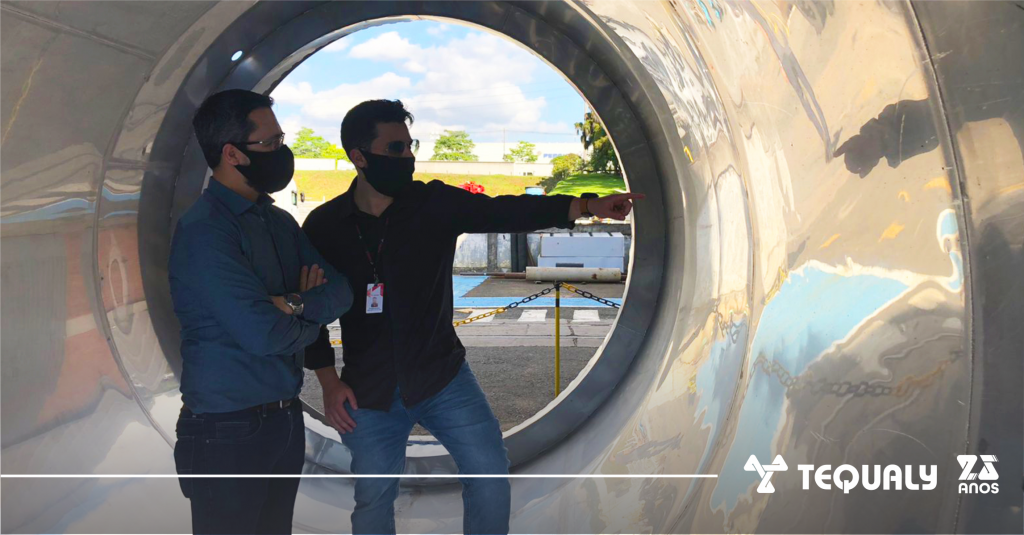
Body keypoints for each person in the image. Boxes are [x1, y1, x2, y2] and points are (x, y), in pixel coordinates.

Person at [301, 99, 642, 534]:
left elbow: (506, 210)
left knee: (489, 474)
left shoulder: (433, 204)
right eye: (395, 148)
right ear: (359, 156)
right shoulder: (325, 226)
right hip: (368, 389)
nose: (408, 157)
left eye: (410, 146)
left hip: (443, 376)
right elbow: (308, 309)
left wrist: (587, 205)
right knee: (373, 497)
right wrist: (328, 382)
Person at [168, 89, 354, 534]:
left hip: (284, 420)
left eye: (280, 140)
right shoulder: (206, 231)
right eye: (270, 143)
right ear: (232, 153)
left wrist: (292, 304)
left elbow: (341, 292)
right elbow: (264, 335)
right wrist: (307, 315)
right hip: (225, 432)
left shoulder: (278, 222)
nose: (281, 152)